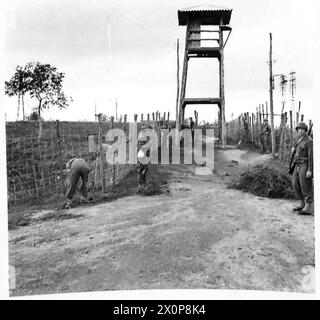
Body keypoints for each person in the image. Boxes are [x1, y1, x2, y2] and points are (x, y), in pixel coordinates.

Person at [291, 122, 313, 215]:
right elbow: (298, 151)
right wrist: (293, 149)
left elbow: (311, 156)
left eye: (302, 129)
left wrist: (310, 169)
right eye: (298, 129)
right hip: (297, 164)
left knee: (305, 185)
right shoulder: (299, 139)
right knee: (295, 184)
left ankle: (308, 206)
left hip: (305, 165)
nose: (300, 130)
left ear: (305, 130)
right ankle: (301, 203)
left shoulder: (309, 141)